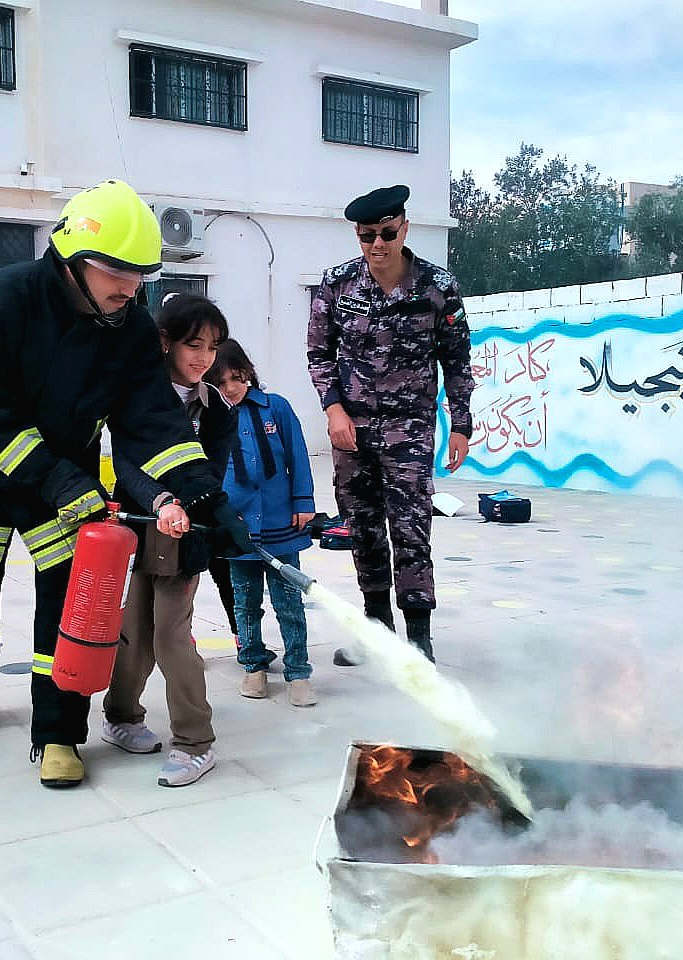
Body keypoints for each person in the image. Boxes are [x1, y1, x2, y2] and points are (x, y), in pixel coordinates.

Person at [0, 180, 251, 789]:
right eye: (116, 271)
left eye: (140, 275)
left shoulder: (129, 330)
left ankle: (58, 732)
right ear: (72, 259)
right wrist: (60, 478)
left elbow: (151, 421)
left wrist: (204, 492)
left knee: (71, 611)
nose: (130, 288)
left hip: (66, 486)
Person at [307, 184, 474, 664]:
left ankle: (418, 635)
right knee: (363, 528)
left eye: (386, 233)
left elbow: (457, 360)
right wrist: (334, 410)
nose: (377, 245)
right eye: (366, 237)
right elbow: (319, 353)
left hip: (410, 430)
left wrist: (459, 424)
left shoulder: (438, 288)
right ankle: (376, 630)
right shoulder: (337, 285)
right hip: (352, 432)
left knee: (411, 527)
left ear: (404, 228)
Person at [102, 294, 236, 786]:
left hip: (186, 534)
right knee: (132, 629)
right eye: (193, 345)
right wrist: (160, 502)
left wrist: (187, 511)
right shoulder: (139, 392)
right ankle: (120, 716)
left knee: (170, 634)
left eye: (212, 347)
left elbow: (210, 475)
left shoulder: (219, 409)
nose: (203, 357)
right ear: (165, 342)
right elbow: (125, 464)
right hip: (138, 524)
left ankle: (195, 743)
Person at [206, 338, 318, 706]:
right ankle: (253, 666)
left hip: (281, 522)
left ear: (248, 373)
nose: (230, 389)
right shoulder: (210, 417)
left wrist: (304, 502)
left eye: (236, 379)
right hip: (238, 528)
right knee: (245, 603)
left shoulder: (277, 408)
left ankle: (298, 671)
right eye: (220, 383)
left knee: (289, 601)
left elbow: (299, 457)